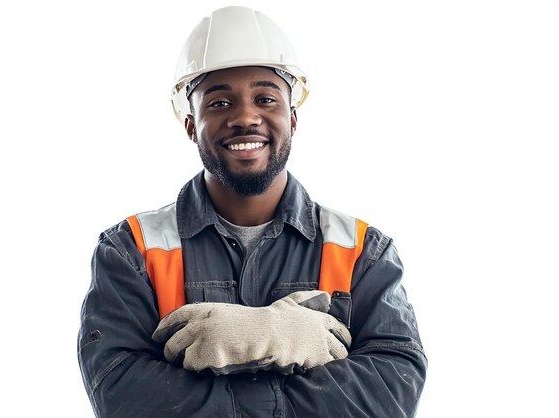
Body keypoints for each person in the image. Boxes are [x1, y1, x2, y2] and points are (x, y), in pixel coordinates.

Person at [77, 6, 427, 417]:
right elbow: (121, 393)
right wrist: (279, 349)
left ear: (292, 118)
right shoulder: (130, 251)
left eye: (265, 98)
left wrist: (250, 347)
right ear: (191, 124)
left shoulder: (363, 251)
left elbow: (394, 386)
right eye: (220, 102)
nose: (245, 117)